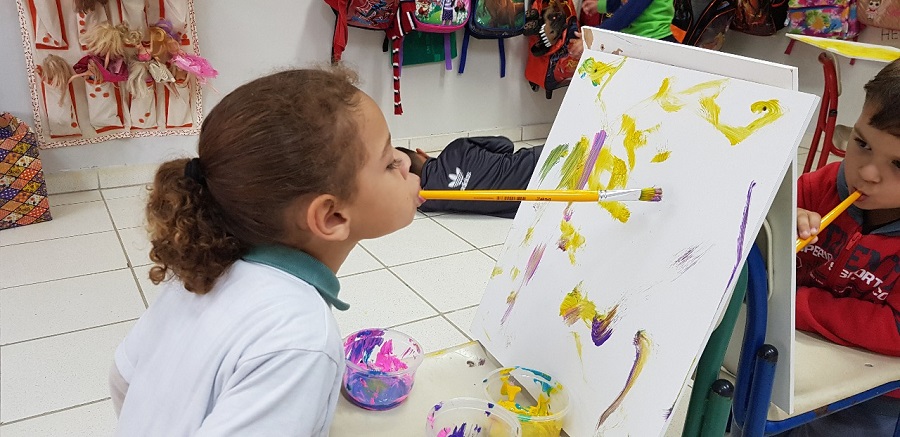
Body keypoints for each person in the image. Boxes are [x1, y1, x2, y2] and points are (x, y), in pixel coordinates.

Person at [109, 68, 423, 435]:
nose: (406, 162)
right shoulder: (300, 339)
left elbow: (122, 378)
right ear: (332, 216)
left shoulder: (202, 272)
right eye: (389, 162)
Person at [789, 59, 900, 436]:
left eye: (899, 164)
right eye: (862, 143)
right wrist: (778, 223)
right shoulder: (818, 187)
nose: (867, 172)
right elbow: (753, 258)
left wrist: (798, 305)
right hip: (792, 356)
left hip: (873, 393)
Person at [397, 136, 543, 218]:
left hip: (531, 204)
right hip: (538, 161)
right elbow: (506, 145)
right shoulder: (457, 148)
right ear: (421, 153)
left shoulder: (427, 202)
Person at [580, 0, 676, 42]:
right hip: (632, 38)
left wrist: (595, 35)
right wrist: (602, 5)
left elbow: (630, 11)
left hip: (654, 38)